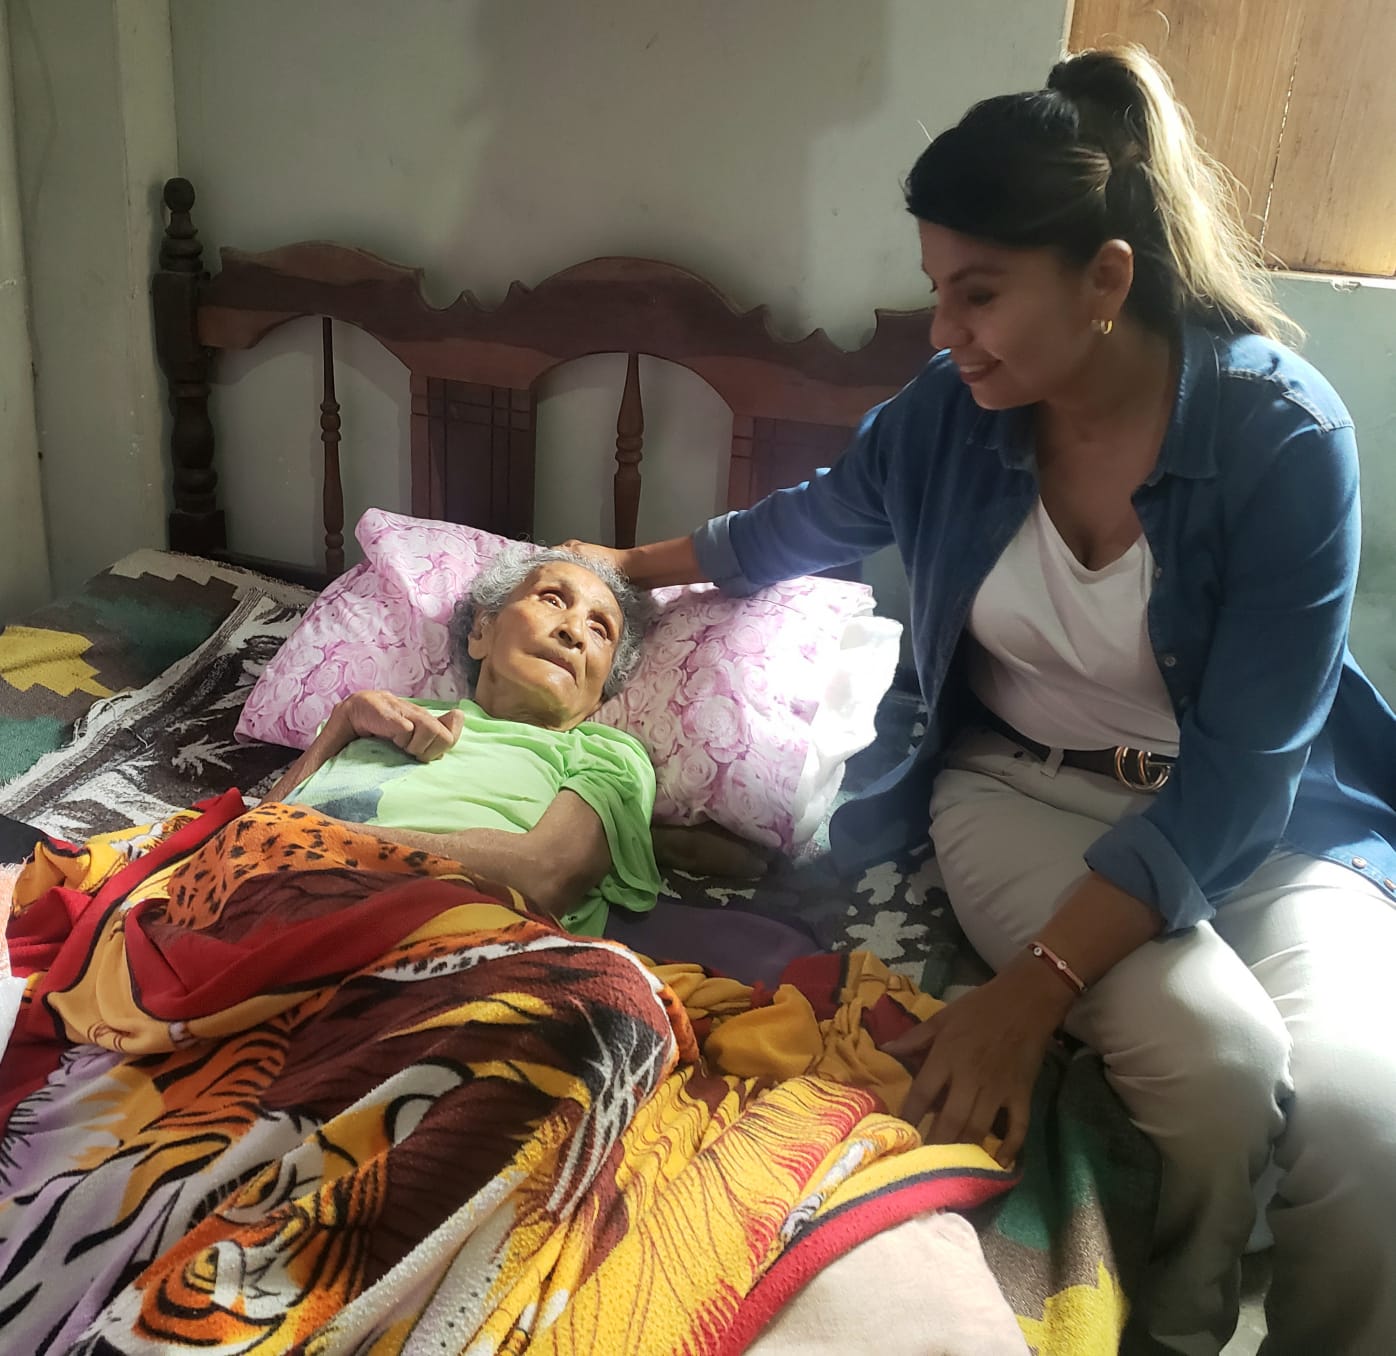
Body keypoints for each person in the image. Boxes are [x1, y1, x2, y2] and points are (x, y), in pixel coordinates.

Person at [563, 45, 1396, 1356]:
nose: (942, 331)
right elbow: (800, 525)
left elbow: (1246, 775)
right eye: (937, 290)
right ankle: (1177, 1333)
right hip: (1020, 791)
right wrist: (627, 565)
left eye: (979, 293)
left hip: (1274, 821)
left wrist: (1037, 987)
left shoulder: (1282, 439)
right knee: (1218, 1062)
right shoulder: (948, 419)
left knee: (1369, 1117)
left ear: (1105, 279)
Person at [263, 545, 661, 937]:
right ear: (482, 630)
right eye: (552, 599)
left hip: (441, 938)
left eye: (600, 630)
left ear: (600, 695)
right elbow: (246, 837)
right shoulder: (379, 715)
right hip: (266, 911)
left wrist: (315, 840)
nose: (573, 631)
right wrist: (344, 720)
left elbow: (542, 876)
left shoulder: (604, 753)